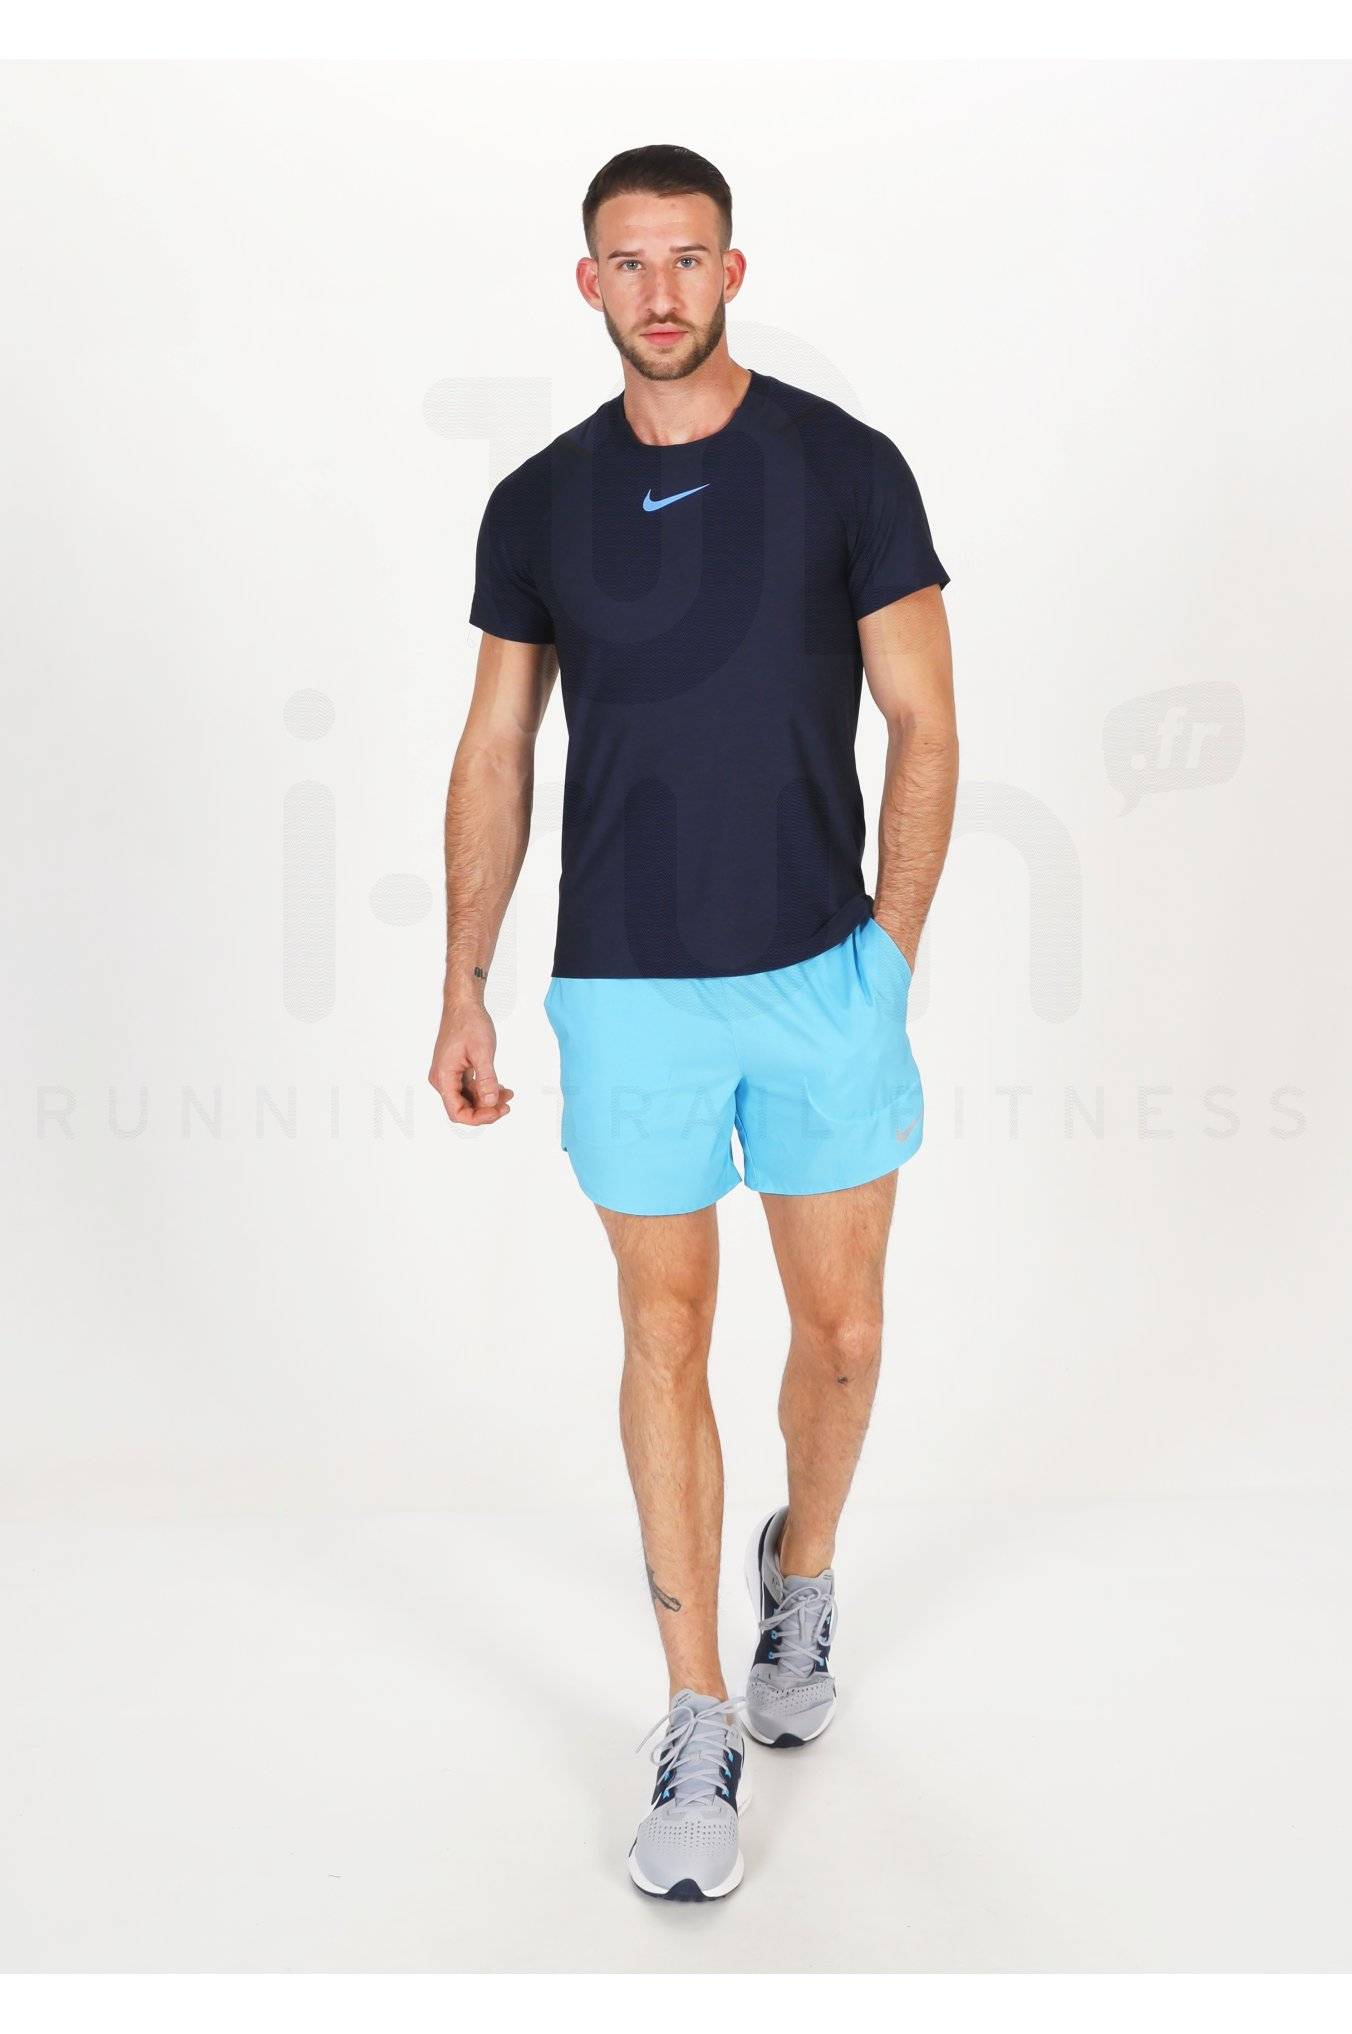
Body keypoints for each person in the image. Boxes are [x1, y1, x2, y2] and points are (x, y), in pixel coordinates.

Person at [428, 143, 957, 1901]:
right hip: (627, 984)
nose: (660, 290)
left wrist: (887, 957)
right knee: (664, 1329)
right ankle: (697, 1709)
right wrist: (464, 980)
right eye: (628, 261)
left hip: (821, 972)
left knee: (846, 1333)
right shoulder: (539, 503)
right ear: (588, 282)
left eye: (689, 257)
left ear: (735, 271)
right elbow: (495, 746)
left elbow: (927, 723)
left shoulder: (845, 465)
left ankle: (800, 1569)